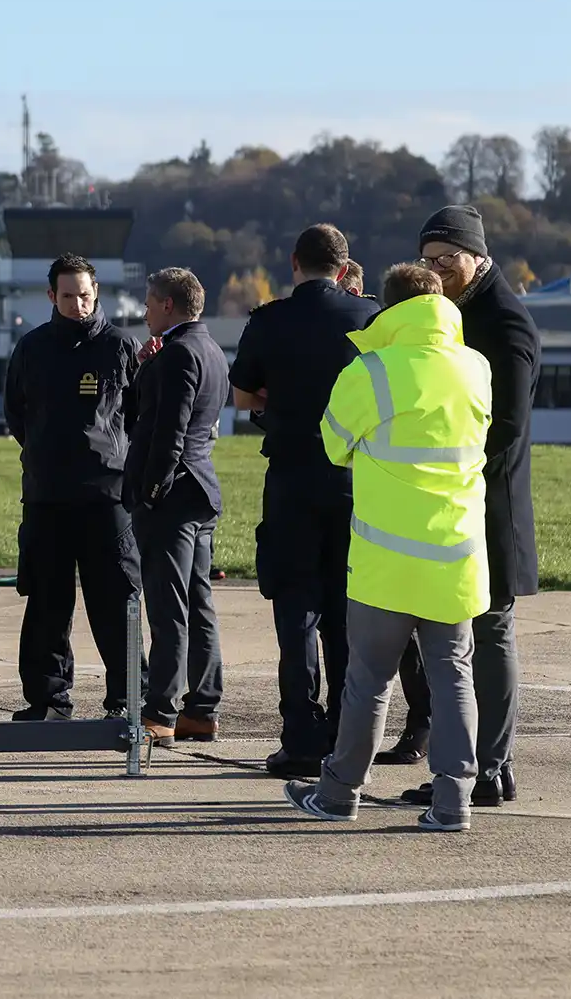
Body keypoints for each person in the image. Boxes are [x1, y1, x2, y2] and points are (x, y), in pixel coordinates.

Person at [284, 262, 491, 832]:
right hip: (457, 555)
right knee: (454, 676)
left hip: (387, 560)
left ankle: (339, 793)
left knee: (368, 680)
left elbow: (334, 445)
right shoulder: (475, 367)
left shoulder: (371, 370)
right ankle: (453, 802)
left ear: (388, 309)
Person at [393, 205, 541, 804]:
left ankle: (490, 768)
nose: (435, 270)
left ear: (477, 256)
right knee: (456, 634)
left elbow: (506, 424)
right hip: (458, 500)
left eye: (446, 258)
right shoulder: (452, 313)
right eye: (426, 259)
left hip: (488, 503)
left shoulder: (504, 323)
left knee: (489, 628)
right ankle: (475, 766)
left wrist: (443, 464)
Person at [228, 224, 377, 779]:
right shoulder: (370, 317)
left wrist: (280, 401)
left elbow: (242, 394)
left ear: (294, 262)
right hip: (354, 478)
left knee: (295, 609)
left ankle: (300, 736)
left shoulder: (270, 320)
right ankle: (345, 732)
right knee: (346, 612)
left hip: (291, 475)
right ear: (344, 268)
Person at [3, 254, 144, 720]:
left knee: (116, 602)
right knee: (47, 601)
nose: (78, 304)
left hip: (107, 498)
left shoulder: (121, 347)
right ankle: (48, 701)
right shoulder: (32, 348)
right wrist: (45, 454)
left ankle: (127, 700)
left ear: (96, 292)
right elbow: (16, 413)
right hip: (47, 496)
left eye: (84, 295)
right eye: (68, 296)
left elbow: (139, 414)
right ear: (51, 296)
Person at [124, 267, 229, 747]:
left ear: (168, 305)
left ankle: (161, 711)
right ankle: (201, 709)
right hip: (199, 489)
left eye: (149, 303)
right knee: (198, 603)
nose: (145, 312)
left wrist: (150, 491)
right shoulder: (210, 349)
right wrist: (144, 368)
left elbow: (168, 431)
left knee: (169, 608)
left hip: (173, 497)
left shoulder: (179, 354)